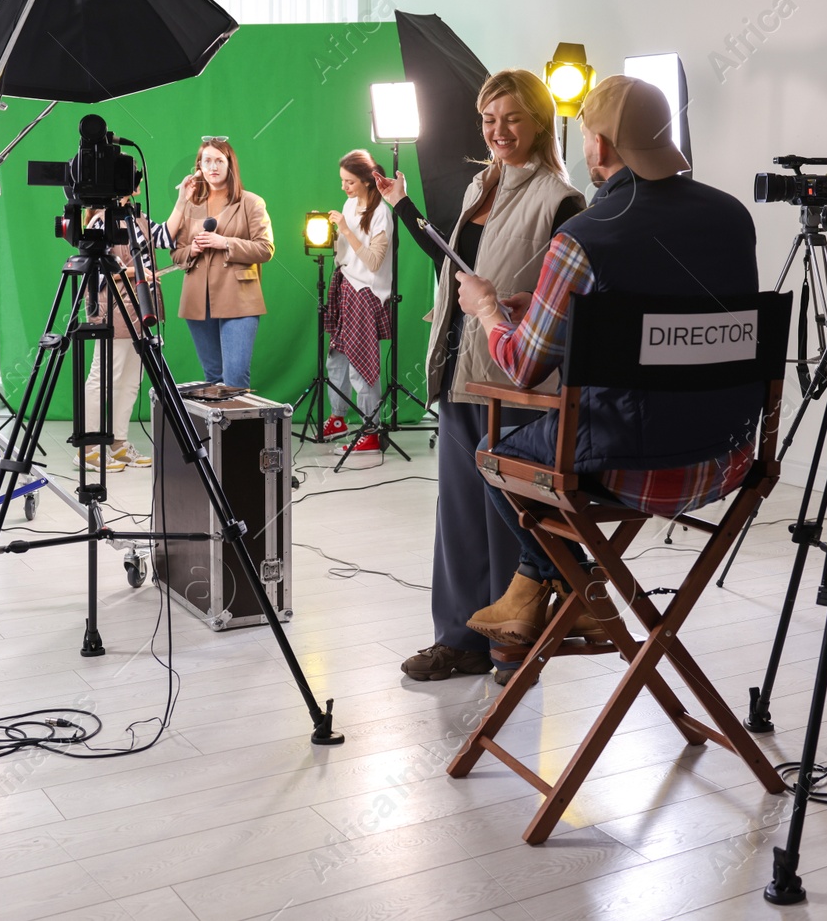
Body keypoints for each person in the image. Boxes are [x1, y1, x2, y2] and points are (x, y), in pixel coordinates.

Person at [454, 75, 760, 650]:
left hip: (629, 464)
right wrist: (558, 314)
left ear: (597, 145)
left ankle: (568, 589)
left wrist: (491, 310)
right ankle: (572, 596)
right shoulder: (731, 217)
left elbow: (522, 365)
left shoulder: (585, 235)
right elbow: (675, 331)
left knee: (492, 456)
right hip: (729, 455)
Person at [377, 69, 585, 684]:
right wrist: (402, 205)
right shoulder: (477, 186)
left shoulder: (561, 198)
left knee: (510, 517)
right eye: (489, 120)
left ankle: (513, 645)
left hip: (517, 378)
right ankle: (460, 640)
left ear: (540, 121)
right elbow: (454, 264)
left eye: (512, 118)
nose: (498, 131)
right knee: (461, 513)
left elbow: (565, 296)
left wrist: (509, 304)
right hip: (459, 368)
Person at [164, 137, 273, 389]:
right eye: (207, 161)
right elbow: (176, 255)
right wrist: (192, 249)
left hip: (239, 299)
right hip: (198, 301)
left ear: (230, 164)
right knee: (212, 379)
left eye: (219, 161)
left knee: (234, 379)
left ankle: (240, 430)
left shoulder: (251, 202)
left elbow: (265, 249)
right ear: (199, 167)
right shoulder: (190, 205)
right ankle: (217, 430)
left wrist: (224, 242)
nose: (213, 167)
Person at [321, 149, 393, 453]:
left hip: (367, 293)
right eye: (342, 181)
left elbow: (374, 262)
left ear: (366, 181)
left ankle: (371, 430)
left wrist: (346, 230)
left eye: (349, 182)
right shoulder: (349, 204)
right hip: (345, 284)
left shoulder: (382, 214)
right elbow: (344, 252)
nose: (344, 187)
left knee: (361, 365)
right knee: (336, 359)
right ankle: (338, 417)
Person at [81, 201, 156, 472]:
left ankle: (119, 443)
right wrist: (137, 272)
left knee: (130, 381)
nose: (136, 180)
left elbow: (167, 236)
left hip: (139, 309)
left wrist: (184, 197)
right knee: (103, 378)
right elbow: (98, 268)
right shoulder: (100, 221)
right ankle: (89, 449)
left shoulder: (140, 218)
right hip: (113, 308)